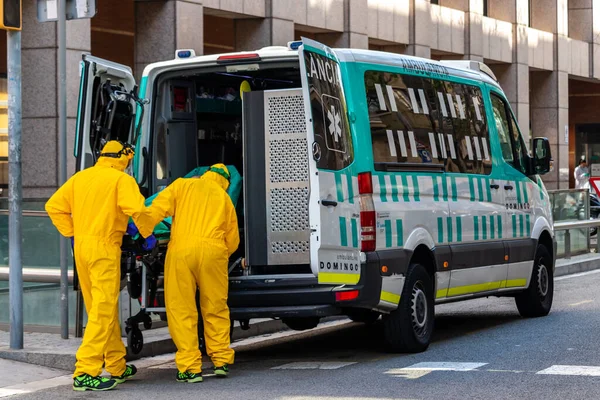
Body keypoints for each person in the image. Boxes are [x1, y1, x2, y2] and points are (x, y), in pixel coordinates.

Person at [45, 141, 157, 392]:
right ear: (122, 160)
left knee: (99, 308)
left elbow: (53, 207)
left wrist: (72, 233)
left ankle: (116, 365)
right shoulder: (121, 180)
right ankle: (86, 370)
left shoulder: (80, 178)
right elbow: (138, 210)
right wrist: (147, 236)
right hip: (105, 247)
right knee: (103, 311)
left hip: (82, 248)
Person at [146, 163, 239, 383]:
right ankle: (221, 360)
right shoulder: (224, 198)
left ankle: (189, 368)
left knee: (181, 308)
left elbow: (155, 210)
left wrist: (141, 229)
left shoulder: (182, 185)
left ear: (206, 174)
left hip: (181, 251)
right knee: (215, 306)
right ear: (225, 182)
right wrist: (221, 253)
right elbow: (233, 239)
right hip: (214, 253)